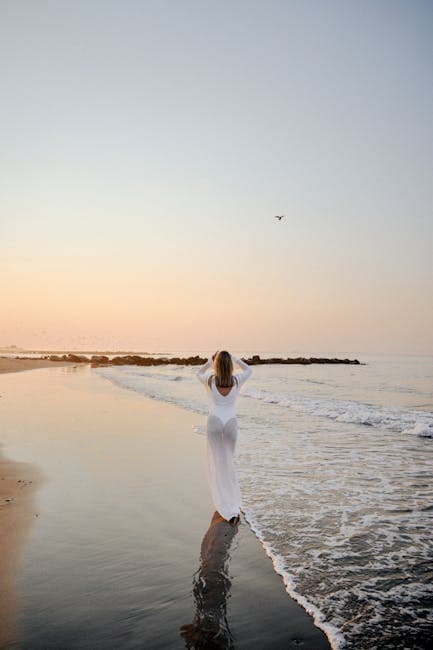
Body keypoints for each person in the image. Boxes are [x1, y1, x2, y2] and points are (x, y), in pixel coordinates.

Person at [196, 351, 253, 526]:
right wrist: (236, 359)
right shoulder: (236, 380)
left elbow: (198, 373)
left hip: (214, 421)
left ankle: (223, 504)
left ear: (217, 364)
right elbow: (249, 370)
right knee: (229, 463)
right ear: (230, 365)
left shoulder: (211, 380)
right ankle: (233, 505)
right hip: (230, 423)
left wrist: (209, 361)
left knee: (217, 463)